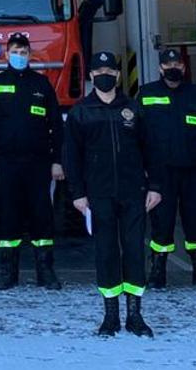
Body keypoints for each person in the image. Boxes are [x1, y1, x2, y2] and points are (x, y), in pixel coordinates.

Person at [65, 51, 159, 337]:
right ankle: (110, 315)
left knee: (134, 250)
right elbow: (71, 157)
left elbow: (151, 150)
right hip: (98, 194)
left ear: (118, 75)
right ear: (92, 76)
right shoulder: (81, 112)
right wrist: (77, 193)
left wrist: (155, 186)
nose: (104, 76)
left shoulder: (133, 108)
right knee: (105, 252)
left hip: (133, 192)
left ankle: (135, 314)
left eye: (109, 71)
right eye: (99, 72)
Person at [134, 48, 196, 291]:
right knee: (162, 222)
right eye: (168, 65)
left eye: (177, 65)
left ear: (184, 67)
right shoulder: (147, 93)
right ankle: (158, 271)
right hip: (160, 171)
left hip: (194, 169)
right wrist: (142, 168)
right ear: (160, 68)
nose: (173, 68)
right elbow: (137, 134)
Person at [0, 33, 63, 291]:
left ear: (30, 55)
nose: (19, 56)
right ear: (7, 54)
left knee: (42, 216)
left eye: (24, 52)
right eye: (15, 52)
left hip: (39, 164)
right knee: (8, 216)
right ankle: (8, 273)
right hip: (6, 164)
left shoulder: (41, 84)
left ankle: (46, 272)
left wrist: (57, 161)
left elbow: (56, 125)